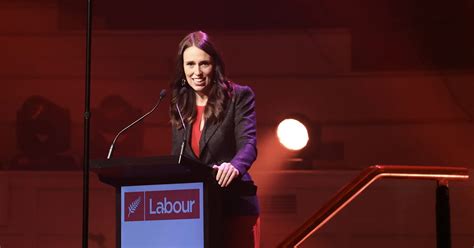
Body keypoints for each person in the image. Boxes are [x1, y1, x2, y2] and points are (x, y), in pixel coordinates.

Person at [170, 31, 260, 247]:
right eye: (190, 64)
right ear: (182, 68)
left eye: (204, 64)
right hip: (194, 208)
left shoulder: (239, 96)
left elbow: (248, 144)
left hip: (234, 203)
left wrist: (235, 166)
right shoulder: (179, 103)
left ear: (215, 66)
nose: (197, 72)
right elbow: (178, 157)